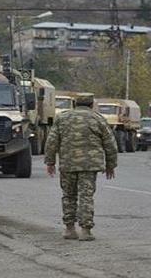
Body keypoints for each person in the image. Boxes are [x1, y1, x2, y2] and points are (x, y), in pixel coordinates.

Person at [45, 93, 118, 241]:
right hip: (89, 165)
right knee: (86, 196)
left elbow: (51, 141)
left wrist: (50, 162)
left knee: (68, 195)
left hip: (68, 164)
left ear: (74, 104)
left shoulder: (62, 118)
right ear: (91, 104)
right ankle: (85, 230)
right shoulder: (98, 118)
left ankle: (69, 229)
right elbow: (110, 144)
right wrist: (111, 165)